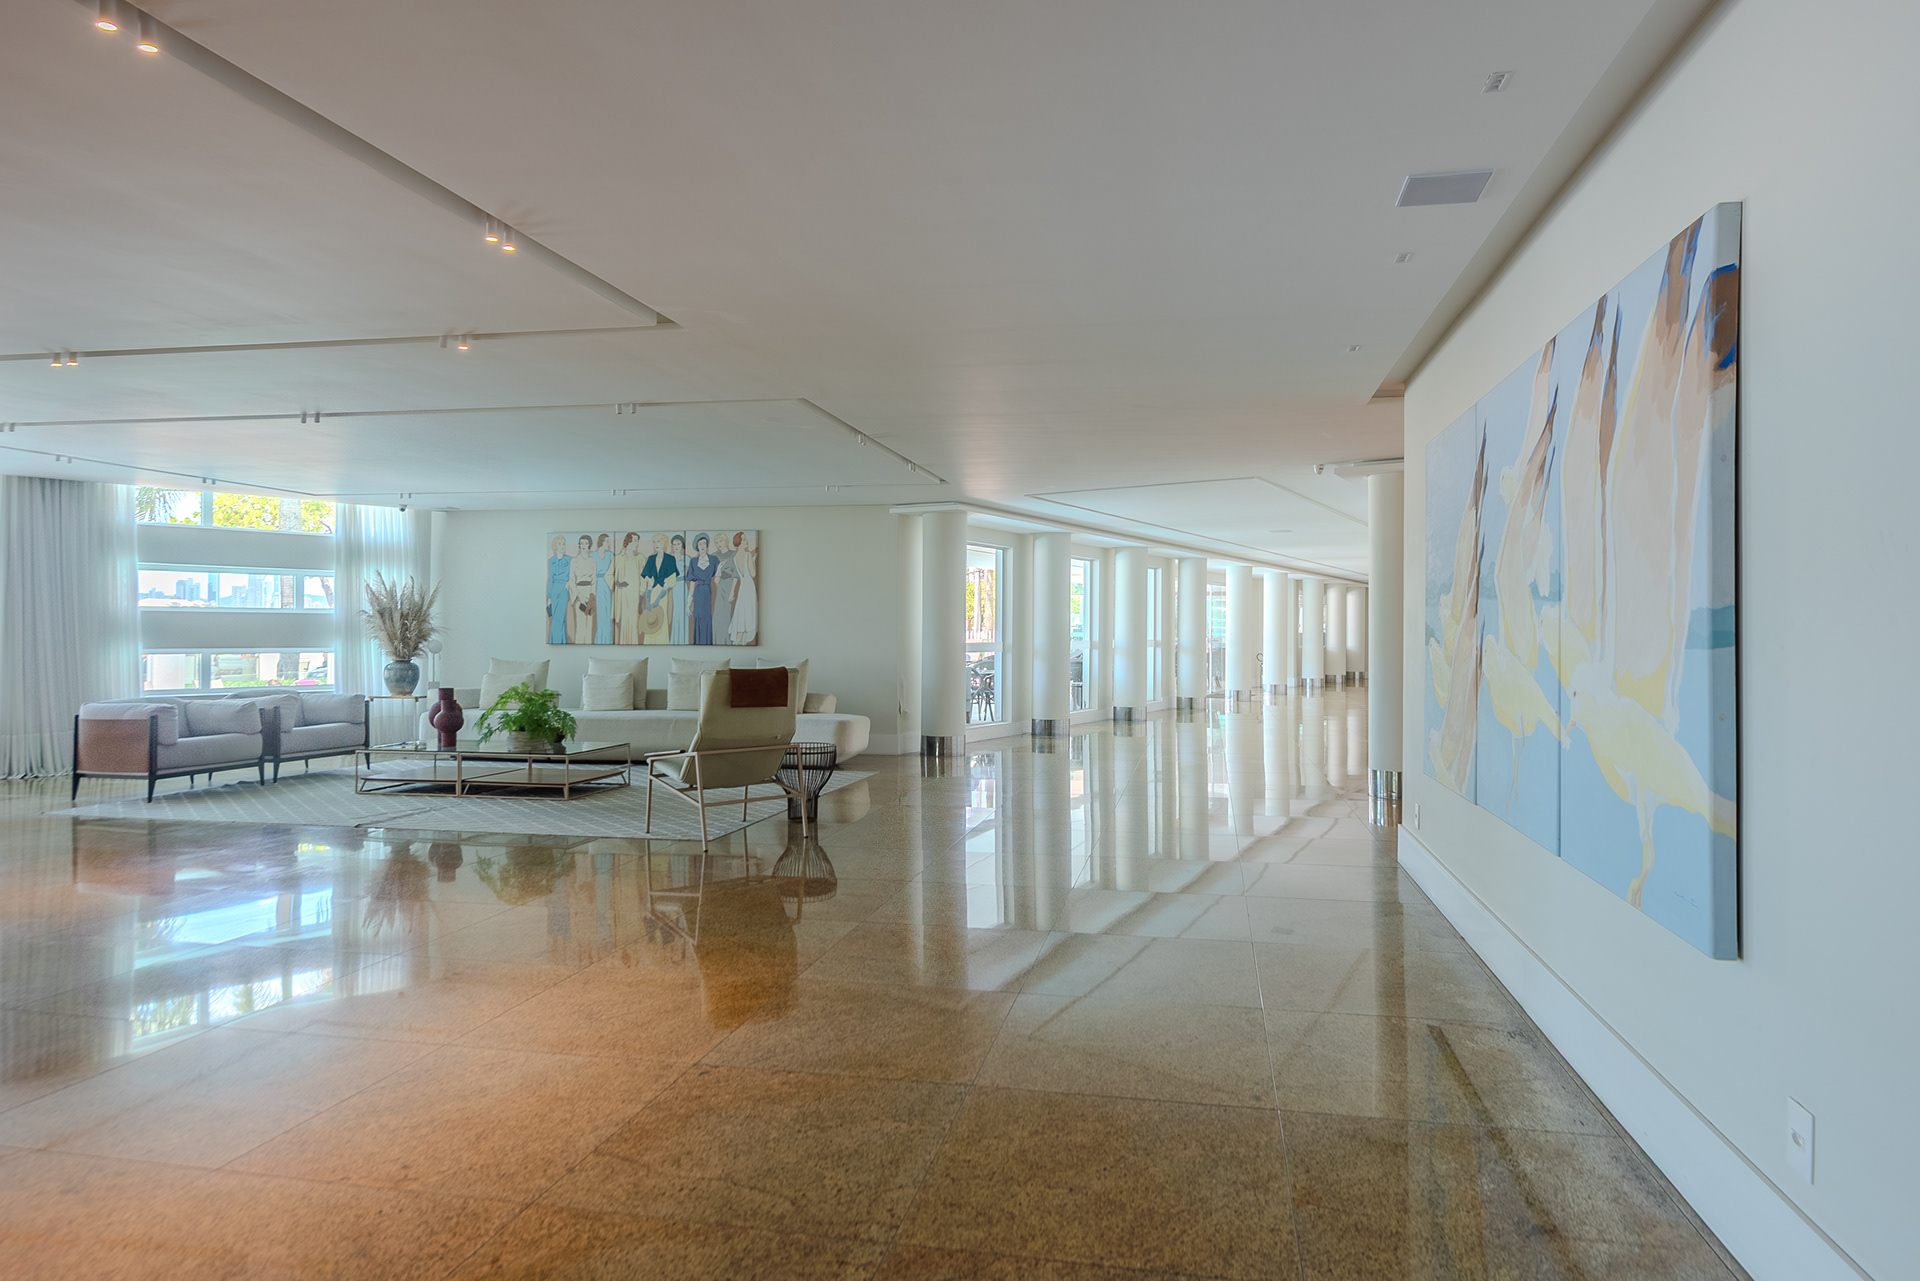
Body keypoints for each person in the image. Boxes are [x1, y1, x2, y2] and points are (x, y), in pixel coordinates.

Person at [640, 533, 678, 645]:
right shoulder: (651, 559)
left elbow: (671, 580)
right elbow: (646, 579)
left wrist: (659, 597)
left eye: (658, 541)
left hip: (663, 594)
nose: (656, 544)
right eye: (654, 542)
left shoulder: (670, 559)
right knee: (650, 618)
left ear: (664, 543)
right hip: (651, 593)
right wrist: (647, 599)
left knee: (661, 619)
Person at [685, 534, 720, 646]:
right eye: (700, 544)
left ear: (707, 545)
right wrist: (689, 601)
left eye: (704, 543)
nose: (702, 546)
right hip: (698, 593)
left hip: (709, 592)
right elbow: (692, 583)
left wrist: (719, 570)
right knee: (698, 617)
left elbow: (717, 579)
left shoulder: (714, 560)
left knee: (708, 618)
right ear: (697, 546)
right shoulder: (693, 561)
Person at [611, 533, 644, 644]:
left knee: (634, 621)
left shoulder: (640, 558)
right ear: (628, 542)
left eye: (637, 541)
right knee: (625, 622)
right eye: (634, 541)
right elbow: (608, 575)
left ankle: (634, 645)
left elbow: (644, 577)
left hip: (635, 595)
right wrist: (617, 583)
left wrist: (641, 594)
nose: (637, 544)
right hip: (623, 594)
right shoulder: (618, 558)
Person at [727, 532, 758, 645]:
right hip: (749, 588)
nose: (746, 541)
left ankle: (742, 645)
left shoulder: (735, 557)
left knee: (742, 617)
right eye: (744, 539)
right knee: (746, 618)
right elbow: (753, 574)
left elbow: (737, 576)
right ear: (739, 542)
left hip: (742, 589)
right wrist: (753, 561)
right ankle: (738, 643)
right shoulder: (747, 555)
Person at [567, 535, 598, 644]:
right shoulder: (574, 561)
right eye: (581, 543)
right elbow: (571, 580)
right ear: (579, 545)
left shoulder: (593, 561)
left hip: (589, 593)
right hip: (578, 593)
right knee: (580, 624)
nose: (584, 546)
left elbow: (594, 580)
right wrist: (579, 597)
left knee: (589, 624)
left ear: (589, 545)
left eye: (586, 543)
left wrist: (591, 596)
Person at [667, 534, 691, 645]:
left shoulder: (687, 559)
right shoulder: (669, 558)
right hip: (673, 588)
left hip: (683, 587)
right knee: (675, 614)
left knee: (684, 614)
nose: (676, 546)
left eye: (678, 544)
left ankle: (684, 641)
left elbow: (690, 576)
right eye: (674, 544)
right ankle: (675, 641)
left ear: (682, 545)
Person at [546, 536, 570, 645]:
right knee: (556, 617)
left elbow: (573, 574)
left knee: (560, 617)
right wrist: (549, 598)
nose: (562, 546)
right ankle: (559, 642)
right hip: (554, 589)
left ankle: (557, 641)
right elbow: (551, 579)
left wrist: (569, 582)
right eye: (560, 544)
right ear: (555, 546)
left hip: (564, 589)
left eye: (564, 544)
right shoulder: (551, 561)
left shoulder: (569, 560)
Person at [592, 534, 615, 644]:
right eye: (606, 541)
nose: (608, 544)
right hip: (596, 585)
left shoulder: (611, 555)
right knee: (600, 613)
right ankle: (599, 640)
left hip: (607, 585)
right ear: (601, 542)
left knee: (608, 612)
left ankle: (608, 640)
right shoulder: (593, 556)